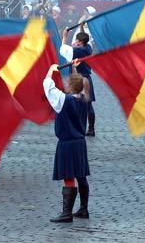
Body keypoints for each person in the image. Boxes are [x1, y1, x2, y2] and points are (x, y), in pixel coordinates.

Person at [43, 62, 91, 223]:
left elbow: (48, 85)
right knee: (81, 175)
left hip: (67, 143)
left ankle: (66, 213)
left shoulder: (64, 100)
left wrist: (51, 69)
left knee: (68, 176)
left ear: (69, 85)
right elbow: (80, 82)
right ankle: (83, 209)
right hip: (80, 143)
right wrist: (75, 68)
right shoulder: (85, 97)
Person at [61, 29, 96, 136]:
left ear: (82, 43)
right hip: (86, 78)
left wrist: (64, 36)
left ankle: (81, 127)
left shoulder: (78, 51)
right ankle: (91, 129)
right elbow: (86, 40)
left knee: (77, 103)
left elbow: (63, 50)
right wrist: (81, 28)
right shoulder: (88, 48)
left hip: (79, 79)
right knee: (88, 104)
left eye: (78, 42)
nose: (75, 43)